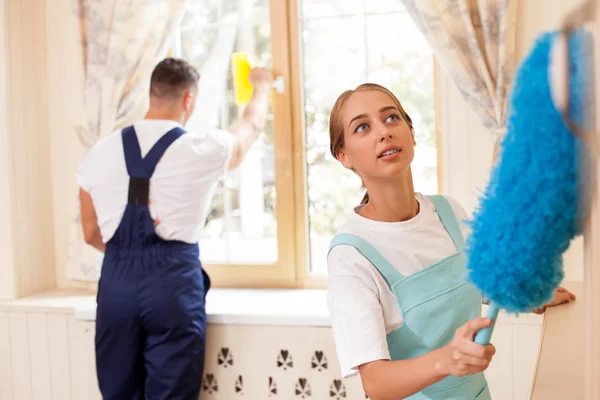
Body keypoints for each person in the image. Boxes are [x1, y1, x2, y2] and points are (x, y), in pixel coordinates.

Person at [326, 83, 576, 400]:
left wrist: (529, 296)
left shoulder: (446, 211)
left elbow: (474, 284)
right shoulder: (351, 256)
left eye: (391, 119)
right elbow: (375, 383)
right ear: (344, 156)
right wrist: (449, 360)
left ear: (411, 133)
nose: (384, 132)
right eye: (363, 127)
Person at [77, 58, 273, 400]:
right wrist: (262, 87)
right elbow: (250, 127)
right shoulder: (201, 148)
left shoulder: (98, 153)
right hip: (171, 287)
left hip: (116, 288)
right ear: (188, 100)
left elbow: (91, 233)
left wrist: (129, 258)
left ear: (152, 94)